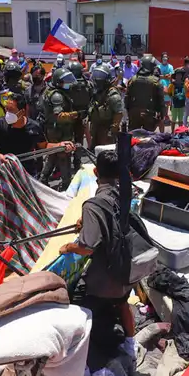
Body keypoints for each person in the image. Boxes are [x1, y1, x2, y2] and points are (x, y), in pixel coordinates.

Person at [59, 150, 135, 353]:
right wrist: (87, 222)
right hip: (127, 269)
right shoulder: (126, 194)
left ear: (94, 172)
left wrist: (67, 247)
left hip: (105, 276)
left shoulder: (93, 205)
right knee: (123, 303)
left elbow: (86, 247)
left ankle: (78, 359)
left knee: (75, 305)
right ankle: (130, 346)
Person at [0, 92, 75, 176]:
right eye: (6, 109)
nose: (7, 113)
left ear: (22, 111)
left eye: (11, 110)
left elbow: (44, 146)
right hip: (5, 170)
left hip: (28, 173)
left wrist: (60, 145)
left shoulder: (34, 127)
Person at [40, 67, 79, 189]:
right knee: (64, 155)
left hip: (53, 129)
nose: (68, 83)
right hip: (58, 130)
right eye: (65, 80)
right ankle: (66, 183)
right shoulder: (57, 95)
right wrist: (74, 115)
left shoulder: (52, 91)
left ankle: (43, 179)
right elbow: (59, 116)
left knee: (52, 155)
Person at [124, 55, 165, 132]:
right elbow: (161, 100)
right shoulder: (155, 81)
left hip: (134, 113)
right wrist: (162, 114)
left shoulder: (133, 79)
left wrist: (129, 111)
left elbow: (127, 97)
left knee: (133, 137)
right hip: (149, 114)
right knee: (147, 139)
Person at [88, 63, 125, 147]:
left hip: (106, 132)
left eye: (100, 76)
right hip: (96, 130)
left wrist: (111, 132)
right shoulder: (97, 93)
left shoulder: (113, 95)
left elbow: (118, 114)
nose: (98, 79)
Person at [157, 53, 175, 130]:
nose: (165, 59)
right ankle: (161, 117)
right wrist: (165, 76)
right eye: (163, 57)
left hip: (168, 87)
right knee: (161, 102)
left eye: (166, 57)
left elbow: (171, 76)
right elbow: (157, 75)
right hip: (160, 87)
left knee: (167, 103)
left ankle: (165, 115)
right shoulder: (158, 67)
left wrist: (163, 76)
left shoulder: (170, 66)